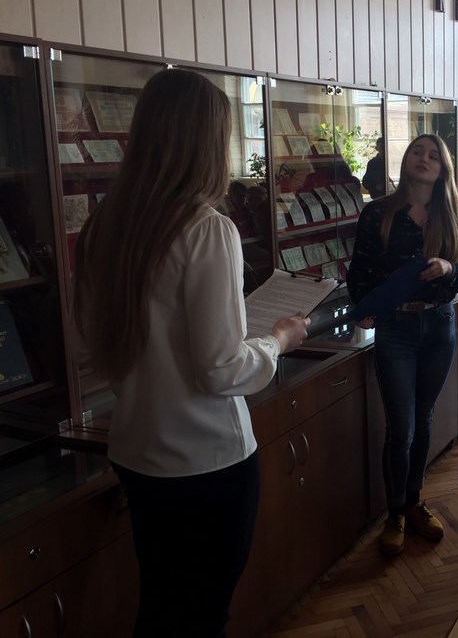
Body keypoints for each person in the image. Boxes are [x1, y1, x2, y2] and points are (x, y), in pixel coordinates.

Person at [72, 69, 310, 638]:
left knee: (161, 609)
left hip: (137, 452)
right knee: (203, 616)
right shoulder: (207, 229)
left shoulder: (106, 224)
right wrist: (278, 340)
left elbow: (102, 341)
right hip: (208, 462)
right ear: (207, 142)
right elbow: (221, 369)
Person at [347, 134, 458, 556]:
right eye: (417, 152)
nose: (424, 159)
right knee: (401, 426)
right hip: (396, 330)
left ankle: (416, 501)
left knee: (424, 420)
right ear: (405, 161)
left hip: (439, 327)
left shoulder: (451, 212)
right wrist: (364, 307)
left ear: (442, 169)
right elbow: (359, 275)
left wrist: (448, 268)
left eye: (434, 155)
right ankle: (395, 514)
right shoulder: (378, 213)